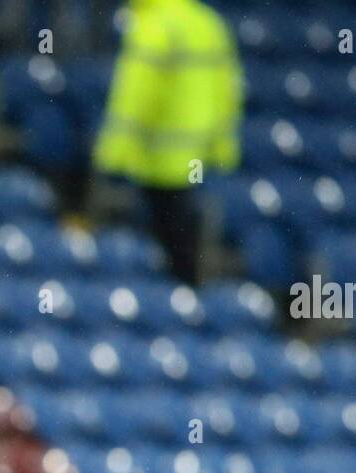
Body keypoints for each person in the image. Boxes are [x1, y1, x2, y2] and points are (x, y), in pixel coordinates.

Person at [92, 0, 243, 285]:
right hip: (197, 155)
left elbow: (135, 96)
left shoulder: (152, 26)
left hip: (155, 158)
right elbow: (228, 89)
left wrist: (114, 154)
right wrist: (224, 147)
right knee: (184, 239)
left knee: (157, 245)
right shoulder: (209, 22)